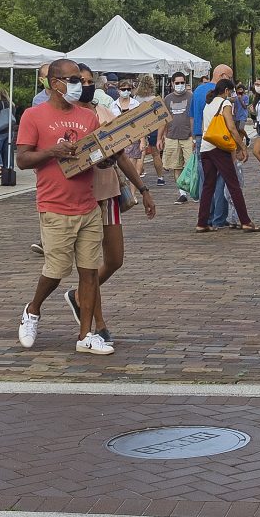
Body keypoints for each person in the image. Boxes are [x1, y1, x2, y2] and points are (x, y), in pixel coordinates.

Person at [16, 58, 116, 355]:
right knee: (56, 270)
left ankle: (85, 335)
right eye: (72, 79)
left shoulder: (87, 117)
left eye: (81, 80)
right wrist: (51, 151)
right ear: (54, 83)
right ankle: (32, 310)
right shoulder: (33, 116)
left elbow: (94, 154)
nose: (79, 85)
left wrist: (105, 159)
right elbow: (22, 159)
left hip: (87, 204)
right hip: (54, 204)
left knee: (88, 272)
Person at [65, 74, 159, 341]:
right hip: (83, 197)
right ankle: (99, 323)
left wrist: (143, 189)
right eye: (78, 81)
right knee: (89, 265)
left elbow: (120, 156)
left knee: (115, 259)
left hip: (108, 192)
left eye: (85, 80)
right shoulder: (65, 121)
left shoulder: (102, 111)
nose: (83, 86)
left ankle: (79, 296)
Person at [196, 78, 260, 233]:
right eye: (230, 91)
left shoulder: (208, 104)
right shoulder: (224, 104)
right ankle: (245, 221)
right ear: (226, 91)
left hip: (206, 147)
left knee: (208, 186)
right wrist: (241, 146)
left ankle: (202, 222)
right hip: (218, 148)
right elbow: (231, 127)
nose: (231, 95)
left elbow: (205, 126)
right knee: (233, 184)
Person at [191, 65, 241, 229]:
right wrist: (238, 146)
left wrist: (194, 136)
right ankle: (220, 217)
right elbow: (230, 125)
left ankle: (206, 217)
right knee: (222, 180)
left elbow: (192, 116)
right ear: (223, 76)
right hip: (218, 140)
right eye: (230, 77)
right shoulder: (221, 96)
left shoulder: (198, 91)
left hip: (201, 137)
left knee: (205, 180)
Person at [160, 73, 196, 203]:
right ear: (172, 83)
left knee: (191, 165)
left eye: (182, 82)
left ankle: (193, 191)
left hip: (188, 136)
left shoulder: (191, 97)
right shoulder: (168, 99)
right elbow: (163, 119)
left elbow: (195, 117)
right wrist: (160, 138)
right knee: (176, 166)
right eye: (177, 83)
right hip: (172, 136)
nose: (180, 85)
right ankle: (182, 193)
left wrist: (195, 136)